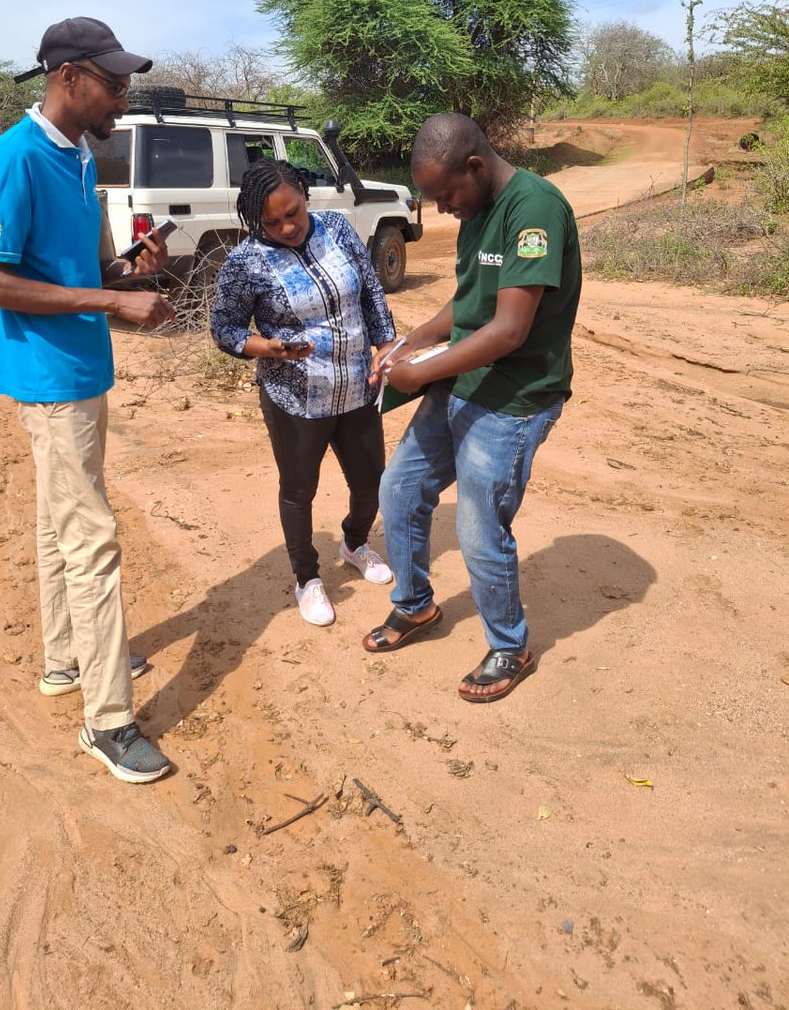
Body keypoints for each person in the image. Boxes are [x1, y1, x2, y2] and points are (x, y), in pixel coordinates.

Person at [0, 16, 176, 783]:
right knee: (91, 539)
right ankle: (108, 720)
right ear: (69, 79)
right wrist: (110, 304)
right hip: (48, 379)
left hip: (81, 374)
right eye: (115, 83)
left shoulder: (81, 159)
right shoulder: (15, 158)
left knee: (61, 526)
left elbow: (79, 276)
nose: (124, 96)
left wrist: (129, 273)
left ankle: (67, 661)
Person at [363, 113, 581, 704]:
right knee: (401, 489)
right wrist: (405, 343)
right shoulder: (476, 209)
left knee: (480, 524)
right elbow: (466, 309)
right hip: (462, 379)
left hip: (514, 397)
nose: (441, 210)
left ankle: (509, 644)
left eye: (445, 195)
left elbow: (509, 330)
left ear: (476, 167)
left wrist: (419, 371)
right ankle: (415, 607)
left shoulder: (532, 210)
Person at [211, 158, 397, 626]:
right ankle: (307, 578)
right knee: (299, 490)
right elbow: (225, 329)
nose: (286, 227)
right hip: (295, 399)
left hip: (358, 387)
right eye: (270, 222)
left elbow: (370, 289)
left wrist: (386, 343)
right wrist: (266, 348)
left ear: (303, 191)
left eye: (291, 212)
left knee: (371, 481)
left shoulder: (337, 228)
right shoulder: (245, 261)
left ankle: (354, 543)